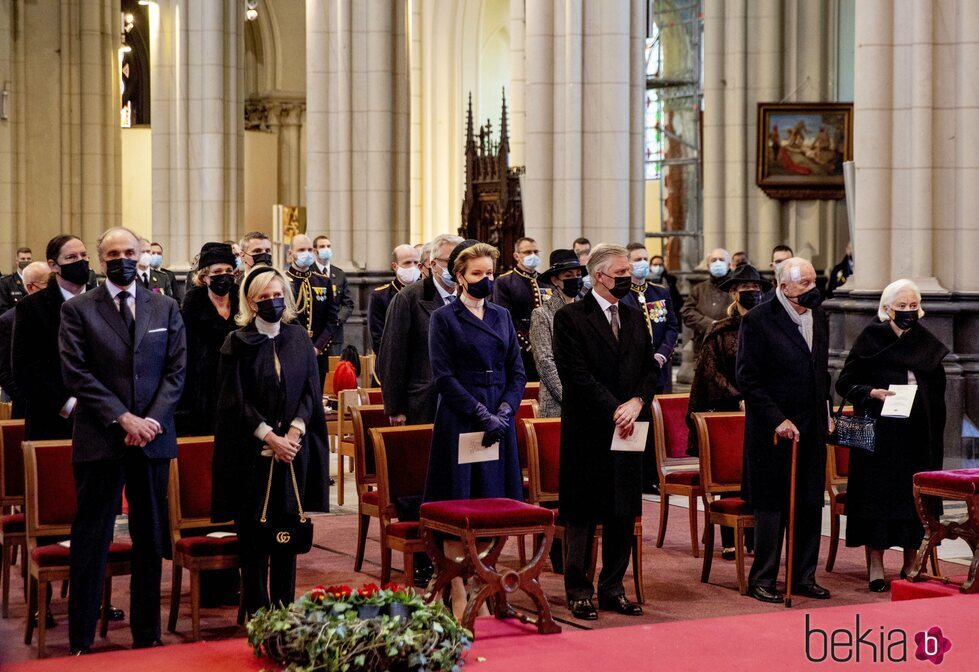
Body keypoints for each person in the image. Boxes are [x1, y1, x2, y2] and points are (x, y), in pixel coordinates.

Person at [59, 227, 186, 653]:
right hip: (101, 438)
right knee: (92, 538)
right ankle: (81, 637)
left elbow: (176, 372)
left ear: (143, 255)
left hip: (152, 438)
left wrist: (149, 420)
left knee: (150, 537)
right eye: (113, 253)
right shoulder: (78, 309)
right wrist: (123, 418)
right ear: (100, 261)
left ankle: (146, 633)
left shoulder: (165, 306)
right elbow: (77, 374)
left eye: (130, 251)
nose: (123, 259)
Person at [212, 265, 330, 616]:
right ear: (250, 301)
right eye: (264, 297)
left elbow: (311, 391)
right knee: (253, 539)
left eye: (278, 295)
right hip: (252, 453)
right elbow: (234, 400)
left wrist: (294, 432)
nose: (272, 301)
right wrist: (269, 436)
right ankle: (255, 611)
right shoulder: (237, 342)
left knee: (286, 534)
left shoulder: (297, 339)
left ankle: (283, 610)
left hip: (293, 452)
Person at [553, 243, 658, 621]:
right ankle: (579, 590)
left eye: (628, 272)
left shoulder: (633, 316)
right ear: (599, 276)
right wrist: (616, 408)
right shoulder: (570, 318)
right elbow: (576, 376)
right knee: (582, 514)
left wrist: (636, 403)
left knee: (622, 511)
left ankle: (613, 586)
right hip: (589, 428)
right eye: (621, 274)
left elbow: (650, 369)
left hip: (630, 427)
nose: (628, 279)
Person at [424, 240, 526, 619]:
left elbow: (517, 370)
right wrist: (480, 412)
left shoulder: (501, 315)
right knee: (461, 506)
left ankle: (490, 585)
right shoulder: (445, 318)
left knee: (493, 504)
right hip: (462, 418)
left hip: (498, 421)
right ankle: (458, 590)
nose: (486, 279)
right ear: (460, 278)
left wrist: (503, 410)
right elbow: (443, 376)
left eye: (490, 273)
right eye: (477, 274)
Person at [835, 279, 947, 591]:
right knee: (878, 500)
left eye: (914, 306)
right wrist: (872, 392)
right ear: (887, 309)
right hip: (879, 436)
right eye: (903, 307)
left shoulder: (927, 342)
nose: (909, 312)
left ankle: (912, 561)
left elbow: (938, 387)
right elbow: (844, 383)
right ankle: (875, 564)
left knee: (912, 500)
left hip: (916, 436)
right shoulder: (871, 339)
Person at [736, 257, 832, 604]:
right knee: (773, 505)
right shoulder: (760, 320)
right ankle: (763, 578)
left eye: (812, 280)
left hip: (812, 426)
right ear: (784, 287)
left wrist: (826, 412)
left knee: (809, 502)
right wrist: (778, 418)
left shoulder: (819, 316)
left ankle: (803, 575)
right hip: (772, 429)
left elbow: (821, 372)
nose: (812, 289)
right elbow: (748, 378)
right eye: (803, 284)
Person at [686, 264, 768, 558]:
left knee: (759, 475)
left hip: (762, 410)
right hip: (727, 410)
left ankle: (757, 538)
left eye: (756, 289)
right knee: (731, 475)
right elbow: (710, 372)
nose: (752, 294)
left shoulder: (768, 328)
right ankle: (730, 539)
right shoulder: (719, 331)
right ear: (734, 293)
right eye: (746, 289)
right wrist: (738, 397)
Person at [376, 234, 463, 425]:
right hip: (424, 400)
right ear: (432, 264)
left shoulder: (469, 296)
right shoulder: (409, 298)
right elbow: (393, 355)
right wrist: (395, 408)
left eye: (461, 261)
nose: (456, 267)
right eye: (449, 262)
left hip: (465, 400)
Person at [13, 235, 90, 440]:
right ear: (53, 265)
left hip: (102, 417)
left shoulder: (104, 302)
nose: (81, 261)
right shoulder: (31, 308)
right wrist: (68, 404)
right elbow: (25, 367)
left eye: (84, 255)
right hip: (52, 419)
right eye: (72, 257)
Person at [621, 243, 679, 493]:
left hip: (660, 369)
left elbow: (672, 327)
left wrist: (663, 354)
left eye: (645, 258)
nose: (643, 262)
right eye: (638, 259)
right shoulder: (622, 295)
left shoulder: (660, 292)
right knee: (637, 423)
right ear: (627, 263)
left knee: (656, 423)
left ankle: (652, 475)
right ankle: (634, 476)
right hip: (634, 372)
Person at [177, 242, 239, 436]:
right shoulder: (192, 307)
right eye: (217, 271)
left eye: (229, 270)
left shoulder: (242, 302)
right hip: (202, 385)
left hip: (237, 381)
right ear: (204, 277)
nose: (224, 275)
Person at [530, 249, 585, 418]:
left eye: (578, 275)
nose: (575, 279)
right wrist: (570, 398)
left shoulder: (588, 310)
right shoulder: (542, 314)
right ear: (555, 280)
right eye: (568, 276)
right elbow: (545, 362)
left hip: (591, 397)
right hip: (559, 401)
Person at [285, 234, 341, 388]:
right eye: (302, 250)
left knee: (315, 395)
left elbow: (332, 319)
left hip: (317, 352)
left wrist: (317, 347)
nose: (307, 253)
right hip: (290, 350)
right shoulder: (282, 281)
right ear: (290, 253)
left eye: (310, 249)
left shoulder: (323, 281)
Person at [493, 237, 548, 381]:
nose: (533, 255)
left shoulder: (544, 281)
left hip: (547, 351)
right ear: (516, 255)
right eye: (528, 252)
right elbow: (507, 318)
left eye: (536, 251)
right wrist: (530, 344)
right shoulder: (504, 282)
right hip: (522, 351)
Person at [0, 262, 49, 417]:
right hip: (28, 408)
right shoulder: (8, 320)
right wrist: (30, 400)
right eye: (49, 284)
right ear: (31, 287)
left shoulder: (65, 312)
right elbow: (4, 371)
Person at [368, 244, 421, 353]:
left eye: (416, 263)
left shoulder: (426, 292)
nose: (413, 267)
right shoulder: (380, 296)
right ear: (394, 266)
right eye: (407, 263)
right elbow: (377, 338)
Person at [680, 248, 731, 353]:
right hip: (703, 346)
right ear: (708, 265)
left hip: (729, 346)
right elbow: (686, 312)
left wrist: (722, 325)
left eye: (721, 260)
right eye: (714, 260)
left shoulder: (735, 288)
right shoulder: (698, 289)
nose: (718, 263)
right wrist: (709, 324)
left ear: (729, 265)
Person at [311, 235, 354, 356]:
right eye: (322, 246)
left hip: (335, 334)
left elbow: (348, 303)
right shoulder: (310, 272)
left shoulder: (339, 274)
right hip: (316, 334)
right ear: (315, 250)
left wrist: (336, 320)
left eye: (328, 246)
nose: (326, 249)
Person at [0, 247, 33, 312]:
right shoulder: (6, 282)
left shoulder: (36, 280)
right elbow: (3, 308)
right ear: (17, 261)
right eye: (23, 259)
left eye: (28, 258)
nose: (26, 261)